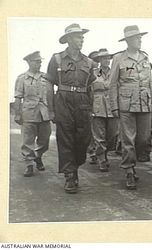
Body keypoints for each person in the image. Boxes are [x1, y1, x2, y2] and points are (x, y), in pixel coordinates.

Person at [46, 23, 96, 194]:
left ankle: (75, 165)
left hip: (82, 103)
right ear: (68, 39)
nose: (81, 39)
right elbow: (49, 85)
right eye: (77, 36)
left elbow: (91, 87)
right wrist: (51, 110)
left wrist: (92, 108)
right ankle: (70, 176)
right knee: (65, 138)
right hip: (63, 101)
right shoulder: (57, 59)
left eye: (82, 37)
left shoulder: (89, 62)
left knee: (83, 139)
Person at [109, 25, 152, 190]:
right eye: (137, 38)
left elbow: (149, 83)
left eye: (140, 37)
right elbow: (112, 84)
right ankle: (129, 170)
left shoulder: (145, 58)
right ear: (128, 40)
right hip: (126, 105)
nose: (140, 40)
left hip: (144, 104)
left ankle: (132, 164)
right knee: (128, 139)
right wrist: (114, 107)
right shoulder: (119, 59)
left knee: (143, 139)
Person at [14, 51, 53, 177]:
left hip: (44, 113)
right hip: (29, 113)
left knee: (45, 140)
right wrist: (17, 114)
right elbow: (18, 97)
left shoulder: (46, 78)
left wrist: (52, 111)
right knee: (28, 141)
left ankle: (38, 156)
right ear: (29, 62)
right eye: (37, 62)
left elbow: (50, 96)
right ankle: (29, 165)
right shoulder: (22, 78)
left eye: (40, 62)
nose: (39, 64)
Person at [90, 48, 120, 172]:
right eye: (103, 58)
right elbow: (89, 90)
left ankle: (104, 154)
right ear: (99, 60)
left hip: (112, 106)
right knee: (99, 135)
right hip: (98, 106)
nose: (106, 60)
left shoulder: (115, 72)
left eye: (108, 58)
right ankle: (102, 159)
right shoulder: (93, 73)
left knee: (112, 135)